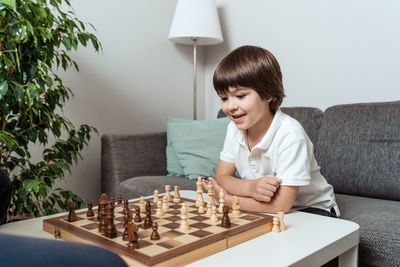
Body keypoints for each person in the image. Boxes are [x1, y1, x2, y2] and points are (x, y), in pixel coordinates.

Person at [204, 45, 339, 217]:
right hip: (265, 207)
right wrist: (250, 187)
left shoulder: (290, 135)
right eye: (224, 98)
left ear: (268, 94)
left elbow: (282, 204)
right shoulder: (233, 129)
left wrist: (228, 199)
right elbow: (222, 177)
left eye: (240, 96)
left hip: (311, 209)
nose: (230, 106)